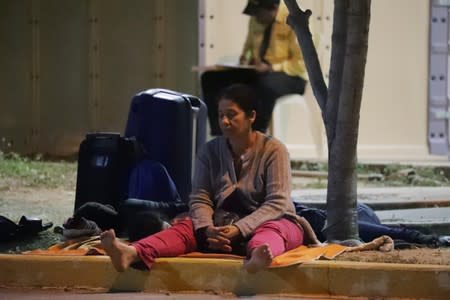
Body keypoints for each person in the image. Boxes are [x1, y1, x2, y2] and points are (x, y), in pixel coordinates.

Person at [100, 84, 320, 273]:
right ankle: (133, 252)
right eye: (220, 114)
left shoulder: (274, 150)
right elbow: (200, 197)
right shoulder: (209, 151)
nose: (224, 121)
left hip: (270, 221)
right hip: (222, 225)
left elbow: (277, 203)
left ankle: (257, 258)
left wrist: (240, 229)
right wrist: (207, 229)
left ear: (251, 116)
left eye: (232, 114)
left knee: (273, 232)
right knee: (186, 227)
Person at [201, 0, 307, 135]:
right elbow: (248, 48)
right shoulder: (256, 20)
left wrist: (271, 67)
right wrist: (245, 58)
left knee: (264, 85)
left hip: (291, 75)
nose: (255, 17)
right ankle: (220, 133)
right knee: (210, 78)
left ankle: (256, 136)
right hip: (259, 71)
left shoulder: (294, 20)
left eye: (258, 13)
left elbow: (301, 63)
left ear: (273, 9)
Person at [295, 203, 450, 248]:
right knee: (379, 235)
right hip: (337, 223)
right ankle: (419, 237)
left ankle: (427, 238)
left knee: (388, 232)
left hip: (341, 216)